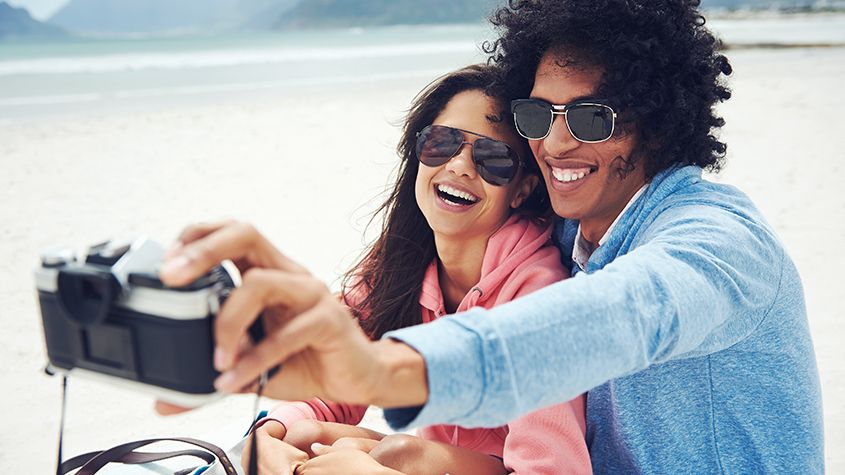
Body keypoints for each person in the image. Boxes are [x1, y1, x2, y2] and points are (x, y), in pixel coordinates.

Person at [158, 0, 824, 472]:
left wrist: (384, 373)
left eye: (592, 118)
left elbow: (612, 318)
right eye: (538, 113)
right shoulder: (570, 231)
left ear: (655, 124)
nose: (555, 141)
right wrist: (276, 420)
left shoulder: (717, 241)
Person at [239, 64, 589, 475]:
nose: (459, 166)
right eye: (442, 143)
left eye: (492, 158)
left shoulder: (536, 297)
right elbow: (329, 387)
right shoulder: (402, 264)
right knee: (302, 437)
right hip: (434, 462)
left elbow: (554, 469)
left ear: (522, 190)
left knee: (396, 454)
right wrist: (266, 435)